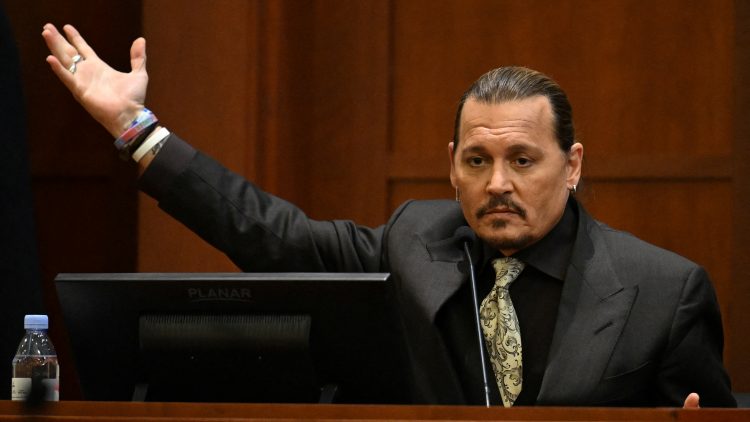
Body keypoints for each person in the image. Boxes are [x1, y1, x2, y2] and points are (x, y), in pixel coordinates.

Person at [41, 23, 735, 408]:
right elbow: (269, 233)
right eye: (477, 161)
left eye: (523, 161)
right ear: (452, 165)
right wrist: (135, 128)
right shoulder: (413, 242)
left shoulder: (664, 291)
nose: (497, 183)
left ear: (573, 165)